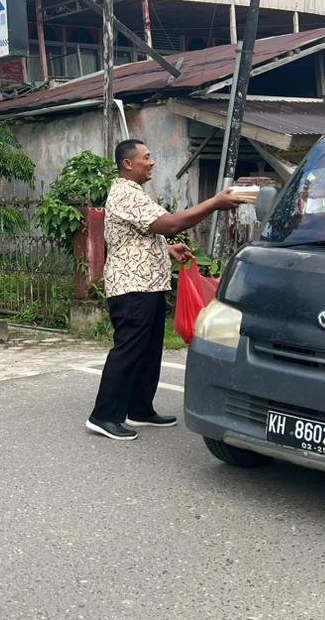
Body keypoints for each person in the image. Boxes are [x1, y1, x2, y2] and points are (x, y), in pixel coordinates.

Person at [86, 139, 248, 441]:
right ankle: (103, 416)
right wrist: (214, 203)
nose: (152, 162)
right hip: (132, 286)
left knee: (148, 350)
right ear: (128, 164)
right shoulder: (125, 193)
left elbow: (143, 234)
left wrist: (167, 250)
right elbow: (171, 224)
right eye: (146, 157)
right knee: (128, 349)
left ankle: (139, 408)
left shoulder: (134, 192)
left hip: (148, 284)